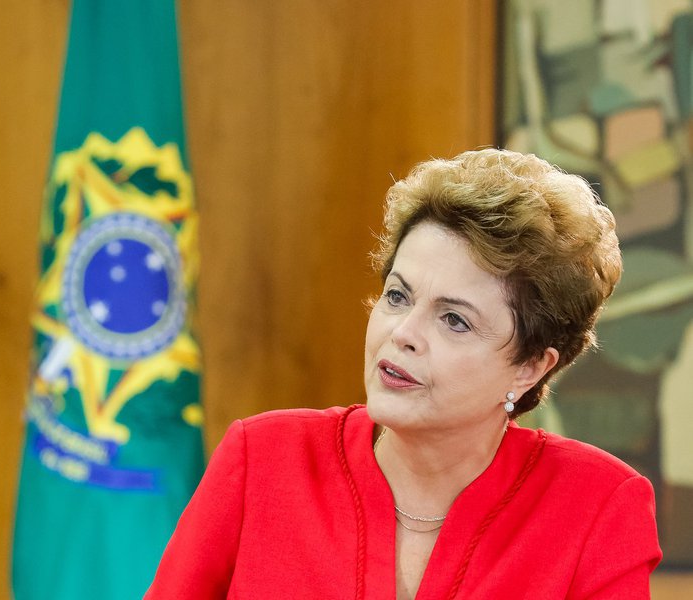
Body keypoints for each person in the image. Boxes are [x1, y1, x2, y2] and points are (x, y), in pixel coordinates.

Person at [145, 149, 662, 599]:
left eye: (454, 320)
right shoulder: (262, 460)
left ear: (530, 366)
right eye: (398, 296)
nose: (403, 332)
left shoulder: (598, 509)